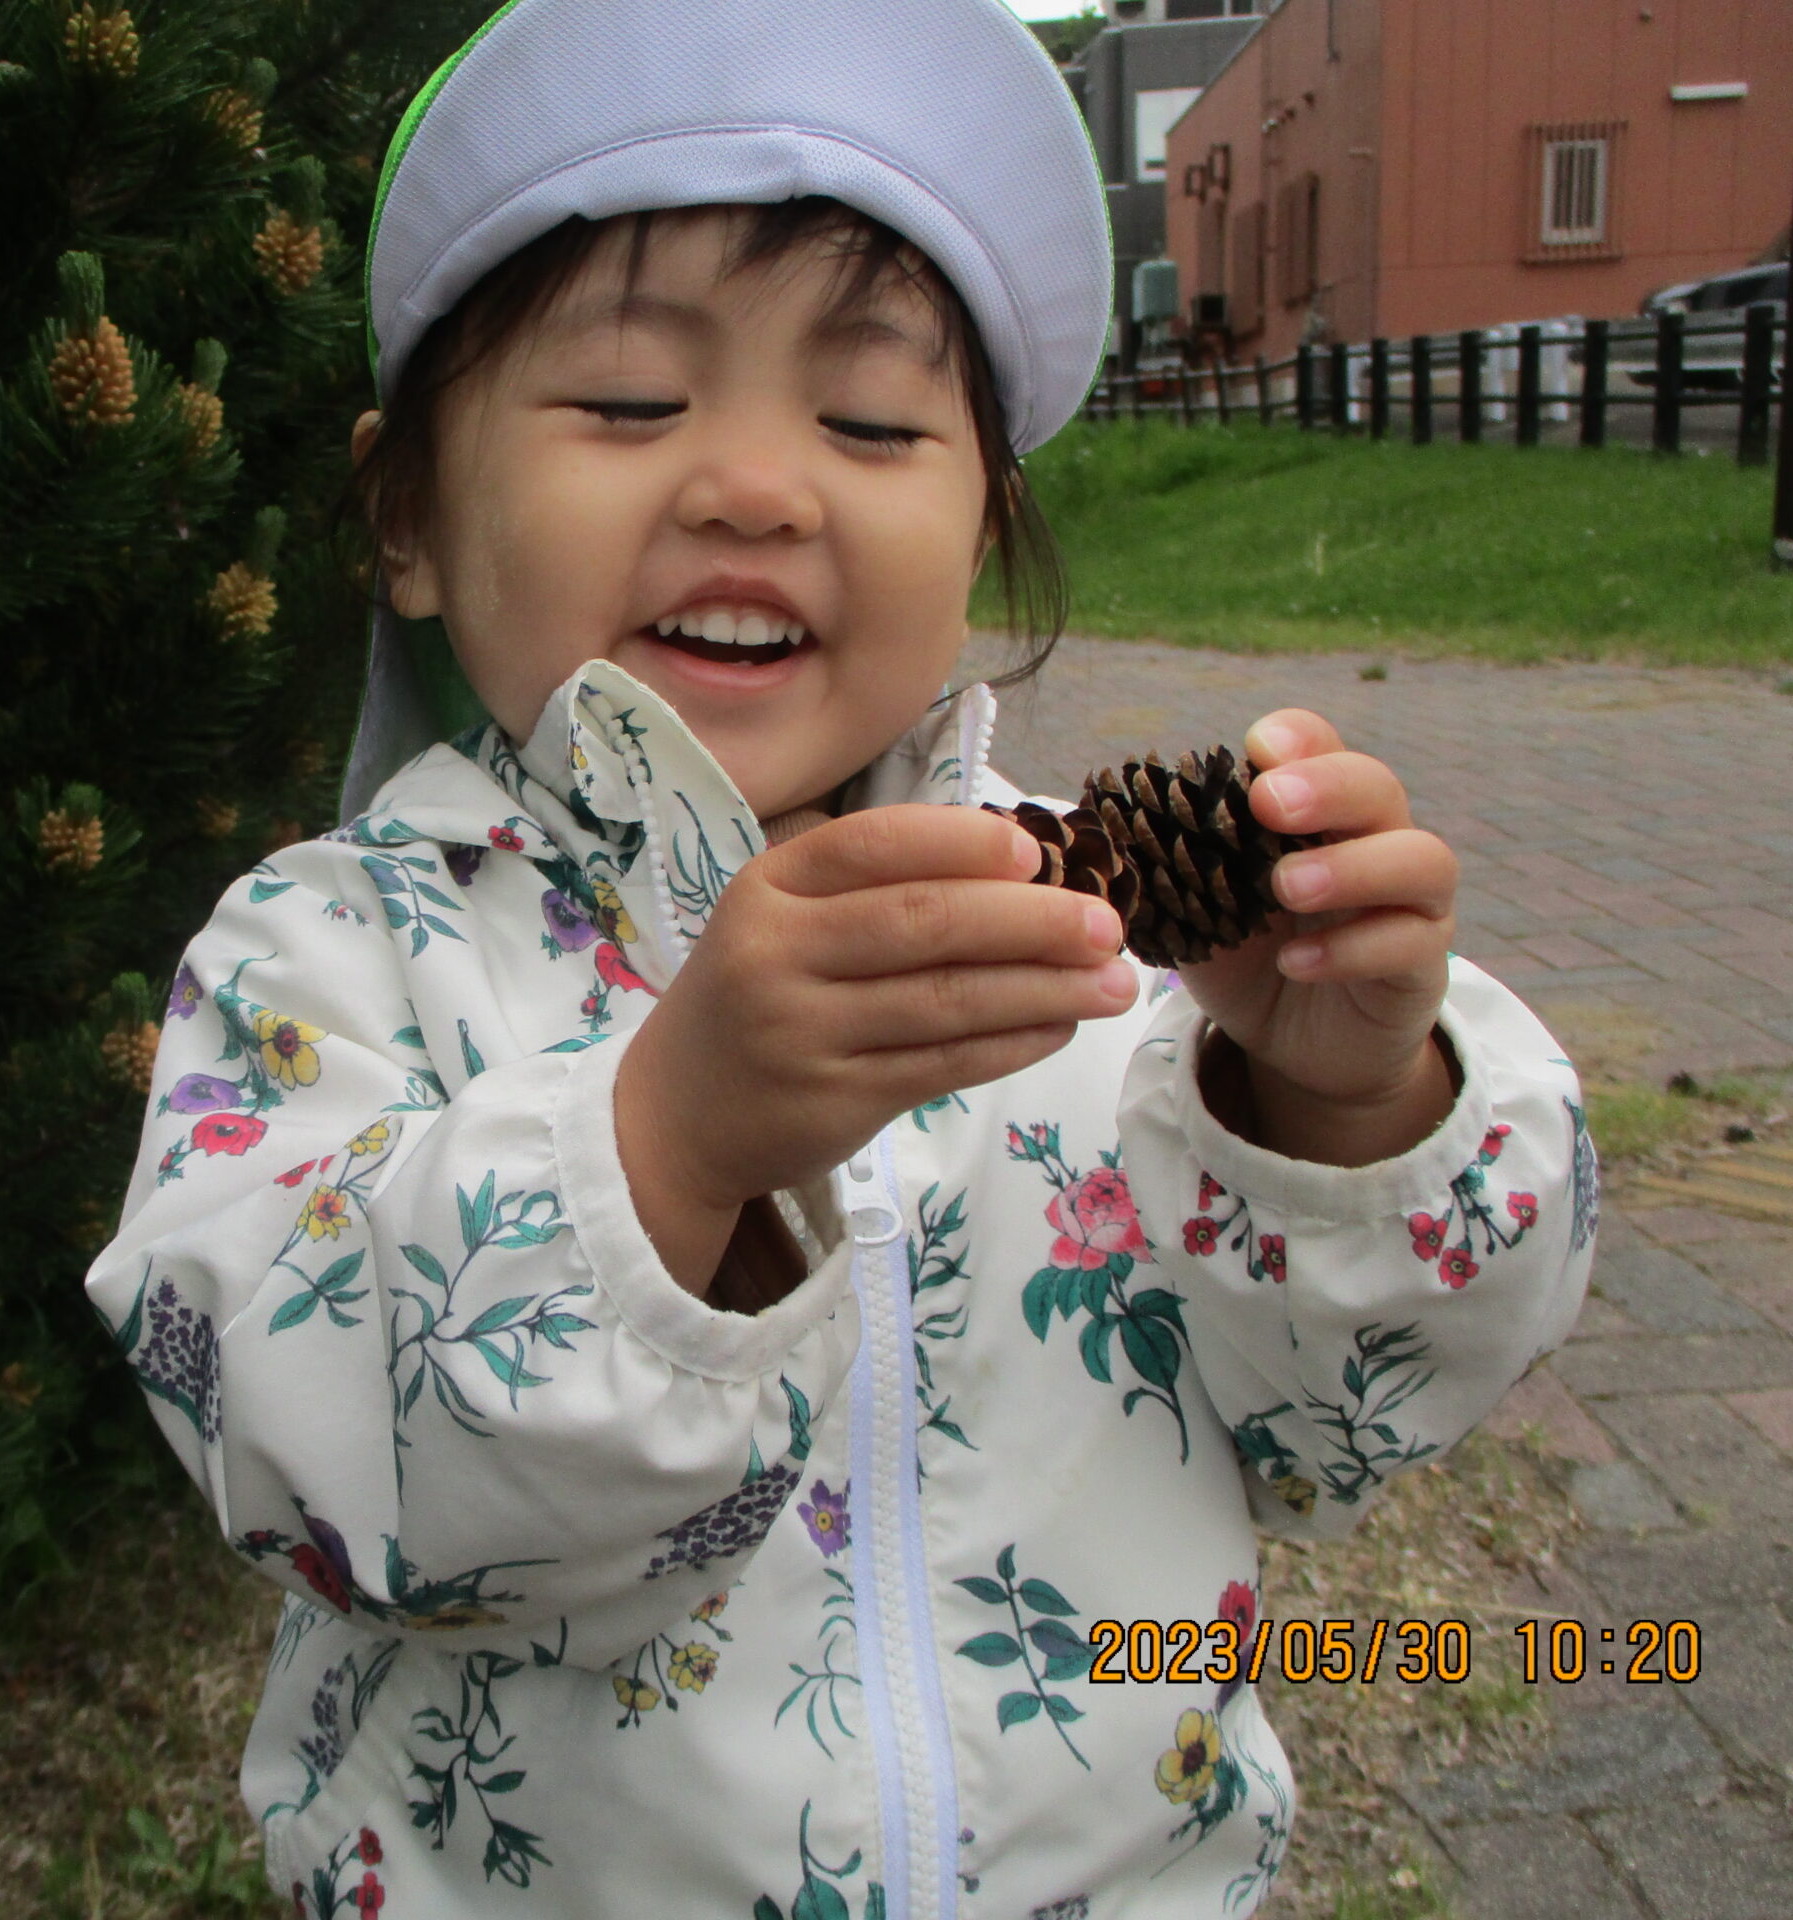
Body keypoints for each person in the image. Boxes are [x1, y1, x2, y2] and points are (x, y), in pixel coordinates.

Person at [85, 3, 1595, 1913]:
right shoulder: (333, 955)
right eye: (629, 401)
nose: (759, 487)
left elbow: (1330, 1437)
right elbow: (297, 1455)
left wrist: (1342, 1105)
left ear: (984, 529)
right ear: (409, 517)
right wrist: (670, 1146)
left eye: (873, 423)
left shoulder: (1099, 956)